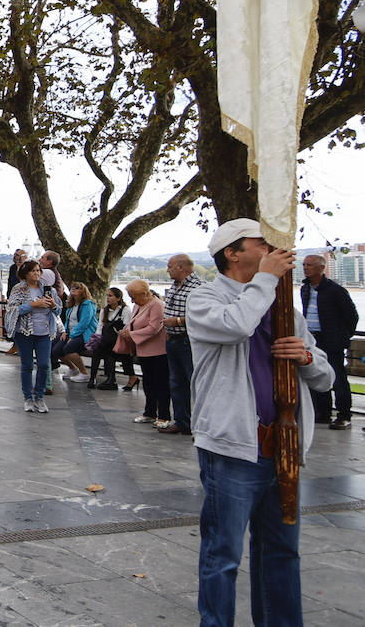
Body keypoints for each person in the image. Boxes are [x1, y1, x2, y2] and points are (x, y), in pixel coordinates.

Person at [186, 218, 333, 627]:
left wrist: (305, 357)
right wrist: (266, 280)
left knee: (283, 551)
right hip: (232, 449)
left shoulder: (284, 305)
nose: (272, 251)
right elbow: (236, 325)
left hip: (282, 446)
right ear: (232, 253)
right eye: (262, 244)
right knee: (223, 554)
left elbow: (325, 377)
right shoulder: (204, 299)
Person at [301, 253, 356, 429]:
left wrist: (342, 336)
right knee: (316, 374)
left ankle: (344, 415)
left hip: (332, 340)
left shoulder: (336, 291)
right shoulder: (306, 289)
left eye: (309, 264)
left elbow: (351, 316)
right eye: (304, 264)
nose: (305, 267)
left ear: (321, 268)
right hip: (312, 339)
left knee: (338, 378)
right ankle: (323, 413)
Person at [155, 254, 204, 435]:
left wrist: (177, 321)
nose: (167, 270)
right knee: (176, 383)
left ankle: (200, 425)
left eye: (169, 266)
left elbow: (203, 315)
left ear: (181, 267)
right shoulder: (175, 286)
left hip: (187, 340)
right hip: (173, 340)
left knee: (195, 382)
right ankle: (182, 421)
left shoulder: (198, 287)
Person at [3, 260, 57, 412]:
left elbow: (58, 310)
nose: (36, 273)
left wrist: (53, 305)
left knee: (44, 365)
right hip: (25, 332)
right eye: (33, 271)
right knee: (27, 365)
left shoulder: (47, 289)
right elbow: (12, 309)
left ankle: (39, 397)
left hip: (44, 332)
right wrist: (33, 305)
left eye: (38, 270)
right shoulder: (19, 289)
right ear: (25, 273)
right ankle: (27, 398)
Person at [126, 280, 170, 428]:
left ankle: (164, 416)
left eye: (134, 297)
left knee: (161, 384)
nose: (132, 300)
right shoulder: (138, 305)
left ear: (144, 294)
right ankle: (149, 412)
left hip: (158, 351)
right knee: (149, 383)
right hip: (144, 350)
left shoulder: (157, 305)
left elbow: (154, 328)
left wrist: (132, 334)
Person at [90, 287, 136, 390]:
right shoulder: (105, 310)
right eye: (107, 295)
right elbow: (100, 325)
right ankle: (92, 377)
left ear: (118, 298)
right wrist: (97, 338)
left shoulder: (125, 310)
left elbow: (126, 327)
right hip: (107, 339)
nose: (107, 298)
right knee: (97, 350)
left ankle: (111, 379)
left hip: (119, 340)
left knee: (109, 351)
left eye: (110, 296)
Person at [57, 283, 97, 382]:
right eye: (72, 288)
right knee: (56, 350)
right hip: (70, 333)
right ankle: (73, 368)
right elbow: (67, 320)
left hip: (84, 334)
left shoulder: (87, 304)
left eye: (77, 288)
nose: (73, 289)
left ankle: (84, 373)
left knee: (68, 348)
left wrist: (73, 336)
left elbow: (84, 323)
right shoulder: (71, 305)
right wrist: (65, 332)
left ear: (83, 291)